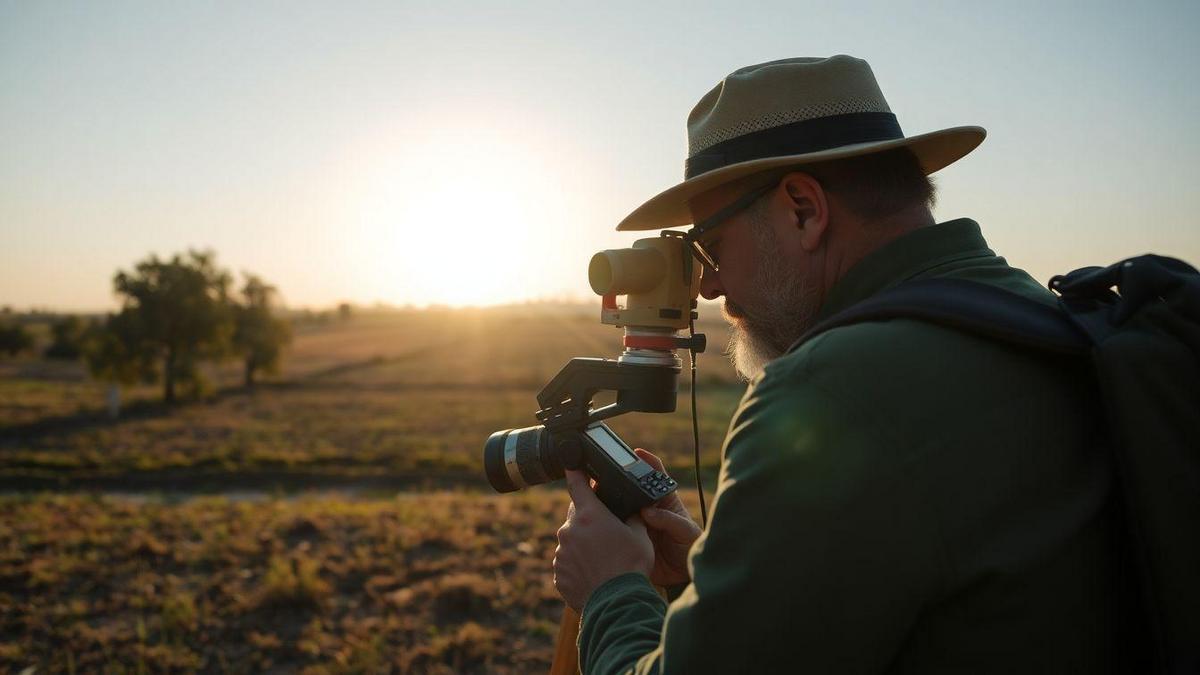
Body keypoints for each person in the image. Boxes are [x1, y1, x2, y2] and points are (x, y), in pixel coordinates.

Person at [552, 55, 1133, 673]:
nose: (710, 286)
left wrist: (612, 589)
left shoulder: (827, 394)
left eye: (711, 246)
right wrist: (719, 579)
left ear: (803, 209)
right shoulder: (1041, 315)